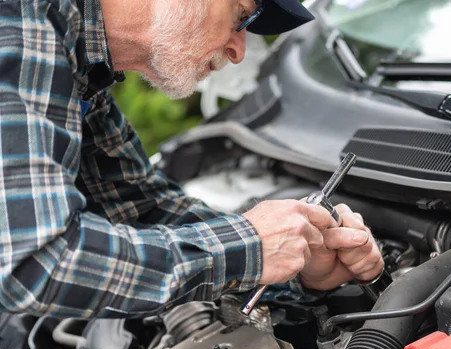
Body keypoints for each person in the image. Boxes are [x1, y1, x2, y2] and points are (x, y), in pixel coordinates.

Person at [0, 0, 384, 319]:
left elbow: (138, 206)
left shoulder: (83, 69)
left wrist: (296, 260)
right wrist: (250, 245)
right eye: (240, 18)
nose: (239, 51)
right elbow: (37, 262)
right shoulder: (21, 23)